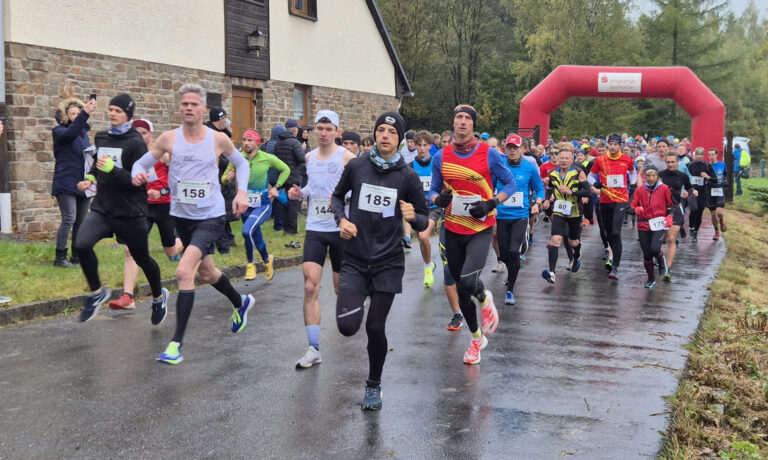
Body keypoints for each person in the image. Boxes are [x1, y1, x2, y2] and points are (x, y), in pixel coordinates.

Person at [131, 83, 254, 364]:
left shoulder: (217, 139)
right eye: (185, 104)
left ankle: (176, 345)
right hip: (182, 217)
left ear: (202, 109)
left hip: (210, 216)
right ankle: (241, 302)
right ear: (180, 107)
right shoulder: (169, 139)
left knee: (185, 271)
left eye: (194, 104)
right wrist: (139, 176)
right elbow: (141, 164)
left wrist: (242, 191)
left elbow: (242, 164)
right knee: (208, 273)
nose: (189, 108)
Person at [331, 111, 428, 410]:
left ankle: (374, 384)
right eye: (381, 130)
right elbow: (336, 197)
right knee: (347, 327)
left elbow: (423, 219)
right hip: (356, 258)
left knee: (375, 327)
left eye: (392, 132)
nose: (385, 135)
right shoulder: (358, 166)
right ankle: (355, 305)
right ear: (374, 134)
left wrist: (414, 216)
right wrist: (341, 219)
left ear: (399, 140)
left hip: (388, 260)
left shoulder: (407, 175)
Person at [429, 104, 517, 365]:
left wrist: (491, 203)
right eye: (459, 117)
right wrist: (439, 198)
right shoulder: (441, 157)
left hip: (480, 227)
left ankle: (484, 296)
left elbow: (510, 184)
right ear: (454, 123)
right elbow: (432, 191)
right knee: (459, 286)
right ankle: (476, 338)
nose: (463, 122)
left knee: (468, 281)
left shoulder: (489, 154)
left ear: (473, 125)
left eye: (468, 118)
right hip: (453, 228)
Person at [73, 94, 168, 324]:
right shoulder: (102, 136)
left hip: (130, 212)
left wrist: (112, 170)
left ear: (128, 114)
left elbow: (139, 181)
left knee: (142, 258)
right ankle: (97, 293)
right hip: (103, 209)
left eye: (118, 110)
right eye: (111, 109)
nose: (112, 113)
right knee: (81, 245)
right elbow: (98, 166)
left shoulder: (136, 142)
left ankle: (158, 296)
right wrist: (89, 178)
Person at [288, 110, 356, 369]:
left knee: (340, 288)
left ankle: (355, 306)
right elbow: (313, 188)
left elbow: (357, 188)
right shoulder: (309, 157)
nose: (324, 133)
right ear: (314, 130)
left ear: (337, 131)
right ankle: (313, 348)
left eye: (329, 129)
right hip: (315, 228)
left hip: (340, 228)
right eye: (320, 128)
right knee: (310, 287)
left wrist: (346, 201)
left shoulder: (347, 158)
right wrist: (298, 193)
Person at [108, 119, 183, 310]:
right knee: (130, 249)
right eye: (136, 132)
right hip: (143, 208)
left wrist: (162, 192)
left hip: (165, 206)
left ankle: (187, 238)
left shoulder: (164, 153)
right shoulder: (131, 154)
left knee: (171, 251)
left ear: (151, 134)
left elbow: (179, 181)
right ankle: (128, 296)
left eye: (143, 132)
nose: (140, 136)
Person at [222, 129, 288, 281]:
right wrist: (228, 178)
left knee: (246, 231)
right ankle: (267, 261)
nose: (245, 143)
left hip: (263, 203)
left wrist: (276, 187)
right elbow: (224, 179)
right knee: (255, 235)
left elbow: (286, 169)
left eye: (250, 140)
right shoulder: (237, 159)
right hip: (245, 205)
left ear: (257, 143)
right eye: (244, 140)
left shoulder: (267, 157)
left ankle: (250, 265)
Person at [496, 133, 544, 305]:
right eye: (509, 147)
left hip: (520, 215)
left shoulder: (529, 168)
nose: (512, 150)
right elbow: (490, 186)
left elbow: (540, 189)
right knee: (504, 254)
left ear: (523, 149)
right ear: (505, 148)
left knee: (514, 251)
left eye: (515, 147)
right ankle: (512, 273)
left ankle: (510, 289)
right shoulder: (499, 166)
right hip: (501, 215)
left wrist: (537, 203)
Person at [52, 96, 97, 267]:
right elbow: (70, 133)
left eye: (78, 113)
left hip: (82, 183)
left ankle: (77, 255)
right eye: (72, 113)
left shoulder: (84, 134)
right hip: (65, 182)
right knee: (69, 219)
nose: (76, 116)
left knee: (81, 220)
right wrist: (86, 113)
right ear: (65, 115)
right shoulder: (59, 131)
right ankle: (60, 258)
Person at [587, 133, 637, 280]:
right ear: (608, 145)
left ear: (620, 145)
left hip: (621, 199)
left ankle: (615, 267)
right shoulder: (600, 160)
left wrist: (631, 184)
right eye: (611, 144)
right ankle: (611, 255)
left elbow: (633, 172)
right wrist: (594, 183)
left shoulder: (627, 159)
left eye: (616, 144)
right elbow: (590, 176)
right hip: (605, 200)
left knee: (615, 232)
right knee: (607, 231)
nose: (613, 147)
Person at [541, 146, 589, 284]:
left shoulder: (579, 172)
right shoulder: (553, 173)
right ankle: (552, 272)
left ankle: (577, 254)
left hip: (575, 211)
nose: (563, 160)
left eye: (566, 158)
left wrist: (572, 192)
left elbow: (587, 192)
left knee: (573, 241)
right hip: (559, 210)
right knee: (556, 239)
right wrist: (546, 200)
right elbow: (550, 188)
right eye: (561, 158)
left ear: (572, 159)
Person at [631, 165, 673, 288]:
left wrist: (669, 216)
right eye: (648, 175)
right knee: (647, 254)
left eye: (653, 175)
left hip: (658, 223)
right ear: (644, 176)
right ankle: (650, 278)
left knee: (655, 249)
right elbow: (631, 206)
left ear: (657, 176)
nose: (650, 178)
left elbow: (672, 205)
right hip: (643, 224)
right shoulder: (639, 190)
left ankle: (661, 260)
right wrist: (636, 210)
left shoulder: (664, 188)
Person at [204, 107, 237, 254]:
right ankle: (223, 247)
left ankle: (227, 239)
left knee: (219, 210)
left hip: (218, 178)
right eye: (225, 118)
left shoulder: (220, 133)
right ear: (221, 119)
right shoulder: (212, 135)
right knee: (217, 212)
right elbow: (219, 159)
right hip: (214, 179)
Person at [658, 153, 695, 281]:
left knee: (672, 239)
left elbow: (690, 189)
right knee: (662, 240)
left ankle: (668, 268)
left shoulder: (683, 176)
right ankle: (661, 261)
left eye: (673, 162)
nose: (670, 164)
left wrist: (687, 194)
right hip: (661, 210)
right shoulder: (660, 175)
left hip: (676, 208)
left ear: (677, 162)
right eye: (668, 162)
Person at [273, 119, 306, 236]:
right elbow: (302, 159)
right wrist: (303, 150)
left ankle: (284, 227)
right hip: (293, 176)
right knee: (293, 203)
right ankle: (291, 230)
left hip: (282, 176)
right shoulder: (295, 143)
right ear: (295, 130)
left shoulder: (278, 143)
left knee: (284, 203)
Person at [686, 147, 716, 242]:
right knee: (693, 209)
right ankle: (691, 227)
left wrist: (707, 176)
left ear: (703, 156)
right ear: (694, 155)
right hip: (692, 191)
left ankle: (696, 232)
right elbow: (684, 177)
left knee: (699, 212)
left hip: (703, 192)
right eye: (697, 154)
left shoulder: (707, 166)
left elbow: (715, 180)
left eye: (701, 154)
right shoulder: (689, 165)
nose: (699, 156)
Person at [706, 148, 727, 240]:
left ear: (716, 155)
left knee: (719, 212)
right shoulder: (706, 166)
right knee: (713, 214)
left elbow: (725, 174)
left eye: (713, 154)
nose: (711, 156)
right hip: (710, 191)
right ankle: (716, 232)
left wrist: (725, 182)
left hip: (719, 190)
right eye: (709, 155)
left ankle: (722, 221)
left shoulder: (722, 165)